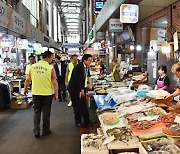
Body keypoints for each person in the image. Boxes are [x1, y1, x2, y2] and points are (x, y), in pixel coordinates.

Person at [24, 51, 58, 138]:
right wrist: (56, 94)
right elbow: (54, 82)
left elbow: (27, 80)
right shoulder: (50, 68)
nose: (52, 59)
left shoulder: (33, 67)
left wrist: (25, 89)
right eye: (51, 58)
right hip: (47, 94)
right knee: (46, 112)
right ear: (48, 57)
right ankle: (45, 130)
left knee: (37, 112)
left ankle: (36, 130)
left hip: (36, 93)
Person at [67, 54, 95, 127]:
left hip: (80, 88)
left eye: (91, 60)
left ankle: (87, 120)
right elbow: (77, 80)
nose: (90, 62)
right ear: (84, 60)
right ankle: (78, 122)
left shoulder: (85, 67)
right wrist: (80, 90)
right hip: (74, 89)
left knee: (83, 105)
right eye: (89, 60)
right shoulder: (79, 67)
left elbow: (83, 79)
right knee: (77, 106)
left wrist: (84, 88)